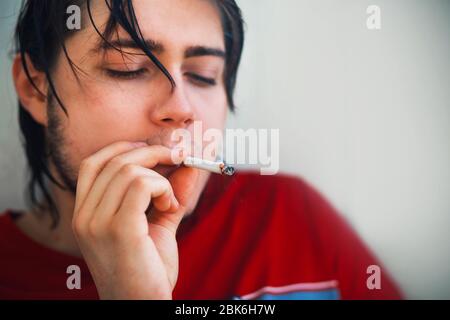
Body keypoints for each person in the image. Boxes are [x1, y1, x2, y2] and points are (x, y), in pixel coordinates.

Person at [0, 0, 402, 299]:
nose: (181, 108)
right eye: (129, 68)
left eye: (203, 76)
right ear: (34, 87)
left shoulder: (290, 218)